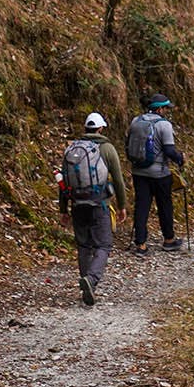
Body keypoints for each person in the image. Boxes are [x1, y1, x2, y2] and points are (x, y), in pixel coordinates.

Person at [58, 111, 127, 306]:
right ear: (101, 128)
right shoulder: (107, 149)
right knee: (103, 245)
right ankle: (92, 279)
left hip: (77, 204)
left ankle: (87, 286)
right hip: (99, 203)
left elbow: (62, 182)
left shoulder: (72, 150)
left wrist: (63, 210)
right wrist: (122, 206)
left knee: (84, 246)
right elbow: (119, 180)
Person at [127, 93, 185, 255]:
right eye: (165, 108)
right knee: (164, 205)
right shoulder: (164, 125)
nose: (166, 111)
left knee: (142, 206)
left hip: (138, 171)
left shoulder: (135, 121)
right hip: (159, 173)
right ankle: (168, 240)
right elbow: (169, 150)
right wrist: (180, 158)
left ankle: (141, 244)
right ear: (159, 109)